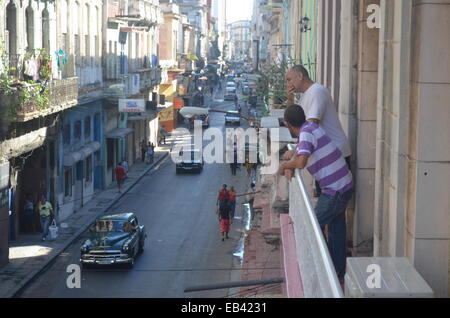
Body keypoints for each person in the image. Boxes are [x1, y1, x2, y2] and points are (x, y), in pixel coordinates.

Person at [278, 104, 353, 283]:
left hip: (335, 191)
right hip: (344, 185)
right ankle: (338, 273)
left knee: (312, 228)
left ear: (288, 125)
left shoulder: (305, 133)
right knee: (336, 230)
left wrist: (285, 165)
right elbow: (303, 149)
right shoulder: (311, 127)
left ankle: (327, 272)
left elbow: (302, 162)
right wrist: (293, 152)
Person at [285, 65, 352, 197]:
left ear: (300, 76)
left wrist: (295, 151)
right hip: (324, 155)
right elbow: (293, 117)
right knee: (329, 202)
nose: (288, 83)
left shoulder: (317, 91)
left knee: (332, 201)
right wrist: (290, 99)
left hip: (334, 153)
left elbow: (311, 125)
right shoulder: (306, 95)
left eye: (289, 79)